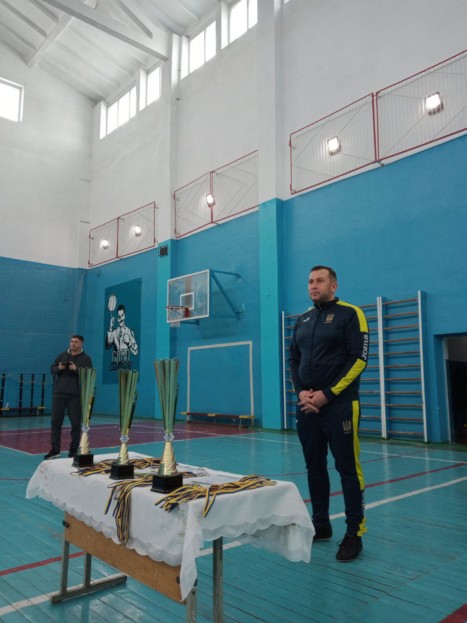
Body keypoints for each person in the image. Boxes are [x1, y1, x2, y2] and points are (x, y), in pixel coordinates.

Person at [289, 266, 369, 562]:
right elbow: (294, 359)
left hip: (340, 405)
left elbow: (359, 359)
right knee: (314, 467)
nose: (313, 285)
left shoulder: (351, 314)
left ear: (333, 285)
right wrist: (301, 392)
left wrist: (328, 394)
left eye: (320, 281)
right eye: (310, 281)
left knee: (348, 469)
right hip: (307, 406)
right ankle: (320, 524)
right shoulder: (303, 319)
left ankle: (354, 533)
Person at [44, 335, 93, 460]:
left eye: (76, 342)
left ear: (81, 343)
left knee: (76, 424)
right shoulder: (62, 355)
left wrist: (76, 369)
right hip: (59, 394)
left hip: (75, 396)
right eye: (71, 341)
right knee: (55, 423)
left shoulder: (86, 358)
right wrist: (59, 368)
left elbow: (89, 374)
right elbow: (52, 369)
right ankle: (55, 450)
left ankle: (73, 449)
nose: (72, 343)